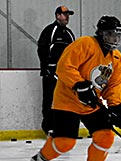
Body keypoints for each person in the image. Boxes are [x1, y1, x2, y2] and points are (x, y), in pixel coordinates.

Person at [28, 15, 121, 161]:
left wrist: (115, 106)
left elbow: (114, 85)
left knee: (105, 136)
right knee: (65, 143)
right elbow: (64, 66)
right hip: (67, 100)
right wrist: (79, 85)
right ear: (101, 34)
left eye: (118, 35)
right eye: (111, 35)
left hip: (91, 103)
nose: (115, 39)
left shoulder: (117, 59)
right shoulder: (85, 44)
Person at [37, 6, 76, 135]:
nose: (67, 17)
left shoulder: (69, 33)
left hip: (65, 74)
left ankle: (63, 127)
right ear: (57, 15)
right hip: (51, 72)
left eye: (68, 14)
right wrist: (47, 68)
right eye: (65, 14)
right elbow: (42, 49)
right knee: (49, 99)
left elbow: (74, 53)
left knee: (65, 100)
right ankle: (49, 127)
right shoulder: (50, 31)